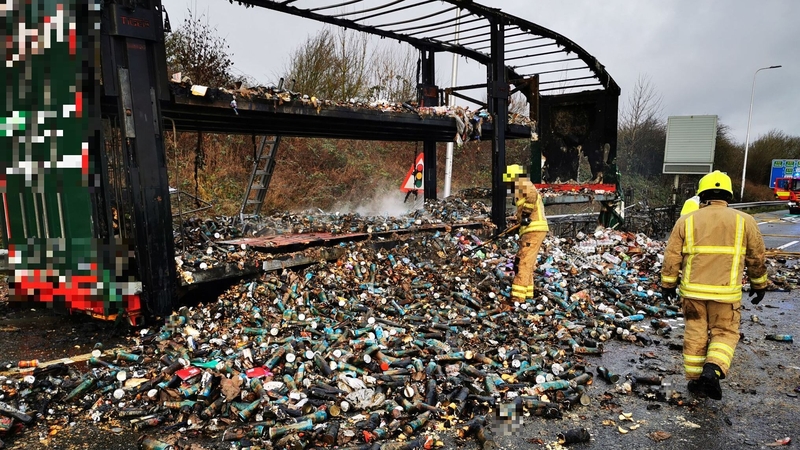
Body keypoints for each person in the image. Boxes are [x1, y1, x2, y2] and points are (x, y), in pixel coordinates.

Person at [660, 170, 767, 400]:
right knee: (725, 333)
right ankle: (713, 369)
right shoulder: (744, 221)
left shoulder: (686, 221)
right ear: (728, 195)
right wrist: (760, 285)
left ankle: (697, 382)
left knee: (695, 333)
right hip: (725, 294)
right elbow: (756, 257)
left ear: (702, 195)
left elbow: (672, 257)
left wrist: (667, 285)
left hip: (692, 292)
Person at [503, 164, 549, 309]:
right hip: (531, 230)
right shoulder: (521, 187)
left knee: (522, 262)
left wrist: (526, 216)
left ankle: (518, 297)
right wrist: (518, 224)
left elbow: (531, 197)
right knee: (526, 261)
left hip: (533, 230)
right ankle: (527, 293)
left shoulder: (522, 183)